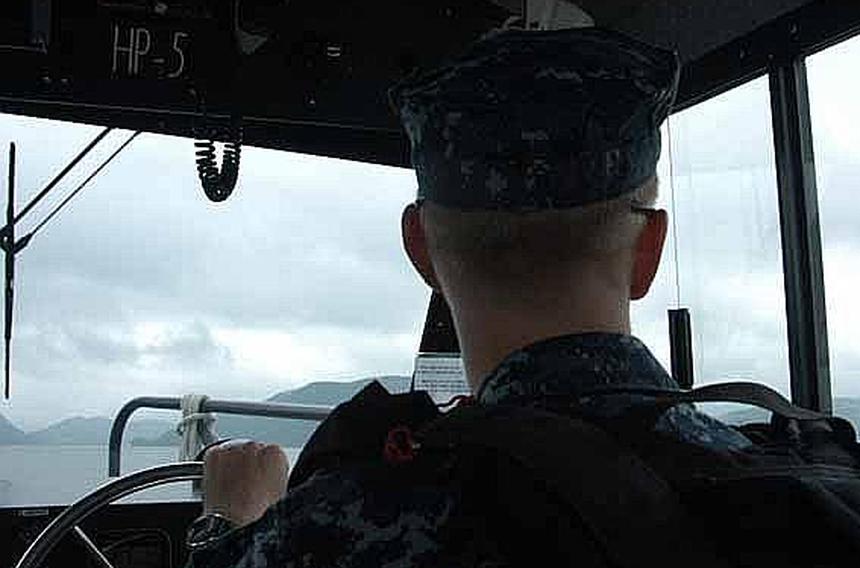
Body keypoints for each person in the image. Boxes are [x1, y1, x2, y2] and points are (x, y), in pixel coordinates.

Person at [186, 27, 755, 567]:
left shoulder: (340, 530)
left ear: (421, 250)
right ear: (649, 251)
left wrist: (228, 523)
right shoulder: (794, 489)